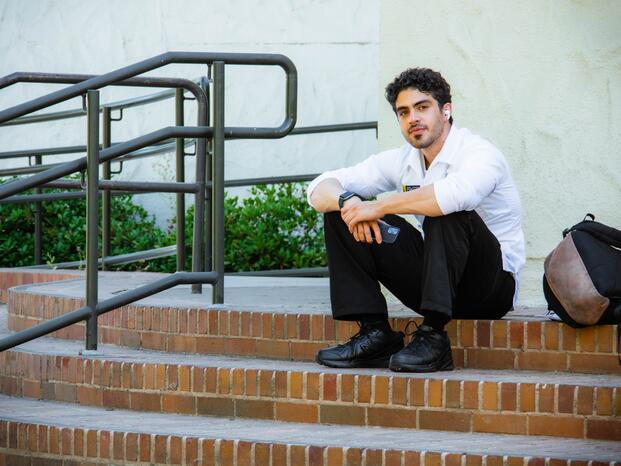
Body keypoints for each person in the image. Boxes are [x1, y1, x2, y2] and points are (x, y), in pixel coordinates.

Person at [307, 67, 525, 372]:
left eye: (422, 107)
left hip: (489, 289)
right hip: (435, 283)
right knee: (343, 214)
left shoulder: (479, 152)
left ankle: (433, 337)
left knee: (446, 210)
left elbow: (457, 194)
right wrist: (348, 202)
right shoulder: (402, 160)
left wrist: (379, 207)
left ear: (446, 110)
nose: (413, 118)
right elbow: (320, 187)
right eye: (404, 112)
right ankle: (375, 334)